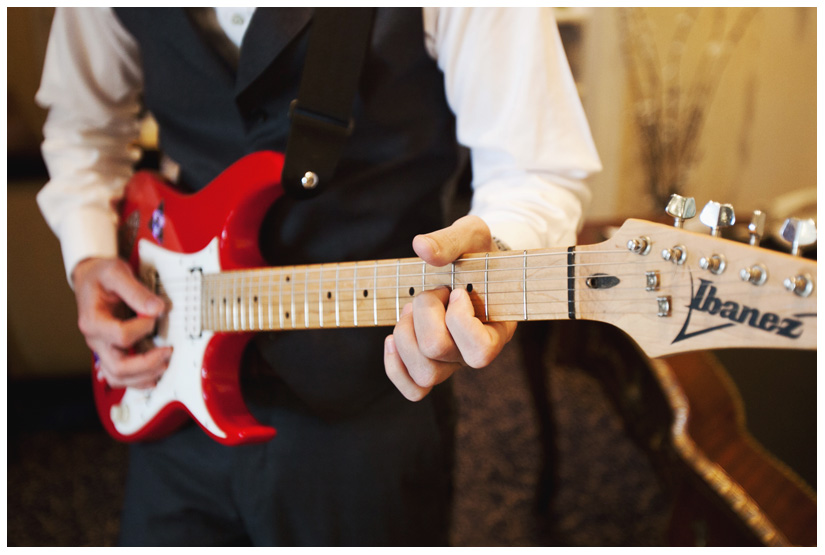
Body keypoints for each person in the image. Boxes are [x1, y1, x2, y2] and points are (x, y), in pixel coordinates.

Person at [36, 7, 601, 546]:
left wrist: (492, 264)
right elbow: (83, 129)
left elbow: (534, 168)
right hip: (170, 387)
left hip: (370, 399)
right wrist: (88, 258)